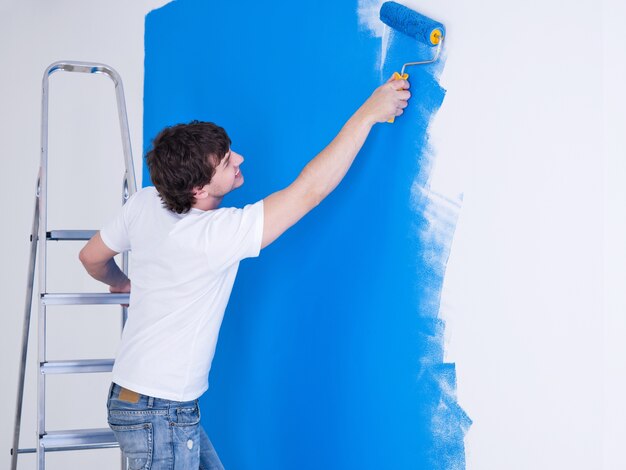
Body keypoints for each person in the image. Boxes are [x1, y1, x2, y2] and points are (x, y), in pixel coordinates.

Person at [79, 76, 410, 469]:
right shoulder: (210, 236)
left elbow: (90, 257)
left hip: (137, 399)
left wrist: (121, 283)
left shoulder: (146, 202)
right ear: (199, 190)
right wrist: (368, 114)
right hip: (160, 413)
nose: (239, 160)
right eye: (225, 162)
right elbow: (309, 192)